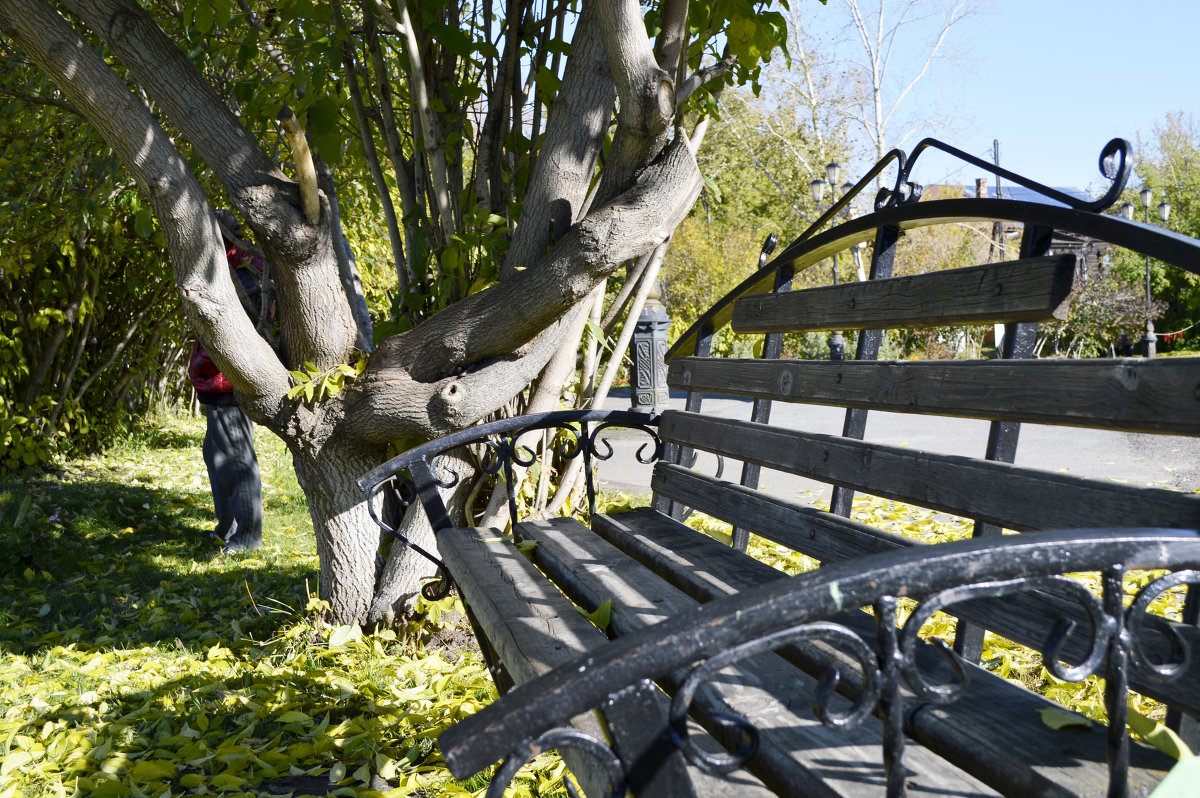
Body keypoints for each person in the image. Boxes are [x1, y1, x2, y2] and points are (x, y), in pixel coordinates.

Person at [188, 210, 264, 553]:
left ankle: (248, 536)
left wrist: (213, 367)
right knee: (217, 457)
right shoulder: (226, 266)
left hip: (227, 380)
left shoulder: (240, 269)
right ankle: (229, 526)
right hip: (215, 381)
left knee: (234, 458)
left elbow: (238, 326)